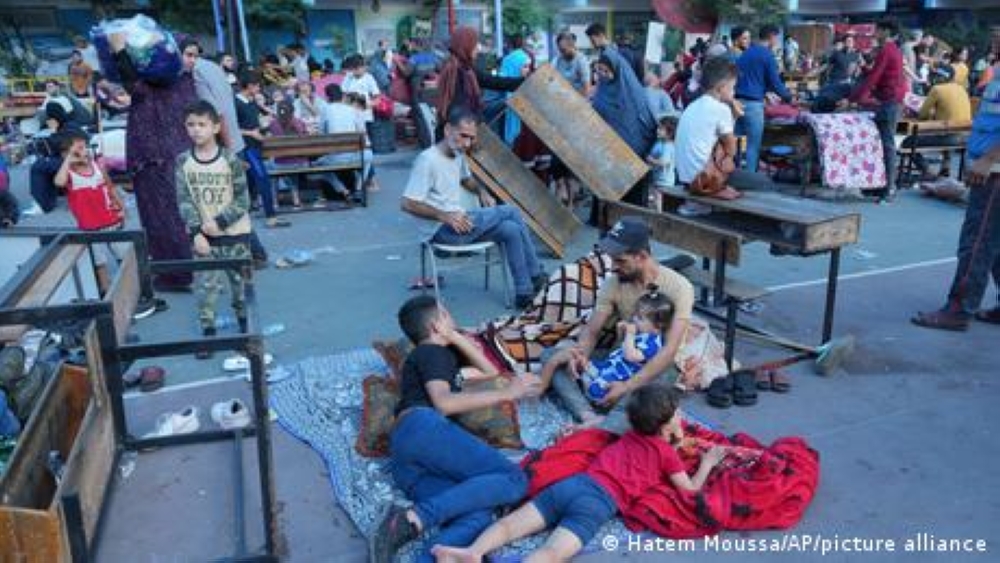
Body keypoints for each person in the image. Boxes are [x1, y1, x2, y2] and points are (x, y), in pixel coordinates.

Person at [432, 384, 726, 563]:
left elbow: (649, 441)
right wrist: (708, 463)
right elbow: (689, 491)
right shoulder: (666, 454)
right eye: (677, 414)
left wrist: (668, 435)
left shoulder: (629, 435)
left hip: (574, 484)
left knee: (510, 526)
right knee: (553, 553)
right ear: (665, 427)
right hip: (597, 505)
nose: (680, 416)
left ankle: (471, 551)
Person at [370, 295, 542, 563]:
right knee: (513, 478)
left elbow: (490, 371)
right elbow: (445, 403)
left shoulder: (439, 361)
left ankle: (425, 554)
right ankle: (412, 518)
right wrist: (510, 392)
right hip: (422, 429)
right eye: (448, 315)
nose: (455, 321)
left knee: (477, 515)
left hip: (407, 461)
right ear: (437, 327)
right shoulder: (432, 353)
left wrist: (457, 338)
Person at [543, 217, 695, 434]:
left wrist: (627, 386)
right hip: (620, 358)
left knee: (654, 396)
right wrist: (580, 356)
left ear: (642, 257)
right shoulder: (613, 282)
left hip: (656, 365)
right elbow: (592, 330)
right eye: (612, 260)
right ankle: (589, 416)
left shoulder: (679, 287)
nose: (613, 267)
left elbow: (669, 351)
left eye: (620, 261)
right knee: (552, 356)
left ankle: (607, 422)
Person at [401, 109, 547, 309]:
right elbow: (407, 203)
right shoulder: (427, 160)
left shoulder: (458, 154)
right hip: (440, 230)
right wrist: (444, 216)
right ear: (448, 130)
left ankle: (524, 292)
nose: (467, 143)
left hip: (462, 223)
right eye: (463, 136)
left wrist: (482, 192)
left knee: (511, 230)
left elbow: (466, 180)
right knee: (511, 211)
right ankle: (537, 274)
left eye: (471, 138)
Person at [911, 66, 1000, 331]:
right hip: (988, 165)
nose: (996, 34)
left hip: (993, 171)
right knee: (994, 242)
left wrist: (988, 159)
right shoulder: (996, 73)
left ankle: (959, 309)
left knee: (977, 242)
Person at [109, 29, 197, 291]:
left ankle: (176, 275)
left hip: (157, 160)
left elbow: (133, 85)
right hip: (170, 156)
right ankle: (179, 269)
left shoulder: (170, 80)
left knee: (163, 217)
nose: (192, 60)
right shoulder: (182, 80)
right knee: (171, 216)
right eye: (188, 54)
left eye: (194, 55)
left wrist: (119, 51)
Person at [175, 101, 252, 355]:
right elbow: (184, 199)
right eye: (191, 125)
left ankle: (245, 329)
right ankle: (208, 333)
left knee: (241, 286)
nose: (196, 130)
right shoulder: (183, 161)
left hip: (235, 236)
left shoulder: (231, 160)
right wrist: (196, 232)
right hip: (204, 240)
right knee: (205, 289)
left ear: (216, 127)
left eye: (202, 124)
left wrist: (219, 222)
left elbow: (243, 199)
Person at [540, 286, 674, 429]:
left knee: (601, 387)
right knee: (551, 354)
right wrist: (621, 334)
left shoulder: (653, 343)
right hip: (608, 367)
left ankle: (591, 411)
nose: (634, 320)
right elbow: (618, 349)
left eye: (640, 318)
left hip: (619, 381)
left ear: (658, 326)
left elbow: (631, 356)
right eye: (635, 315)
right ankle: (589, 412)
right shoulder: (641, 334)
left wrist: (629, 334)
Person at [53, 131, 125, 294]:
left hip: (111, 220)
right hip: (90, 226)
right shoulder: (69, 173)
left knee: (122, 254)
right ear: (66, 154)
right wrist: (68, 161)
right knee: (100, 262)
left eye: (84, 147)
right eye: (77, 149)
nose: (83, 152)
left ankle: (132, 284)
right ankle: (105, 289)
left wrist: (122, 209)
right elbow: (59, 182)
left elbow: (110, 187)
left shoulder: (97, 166)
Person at [591, 51, 658, 215]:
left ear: (617, 71)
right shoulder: (600, 91)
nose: (602, 74)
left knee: (630, 208)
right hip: (606, 153)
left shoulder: (632, 92)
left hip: (631, 154)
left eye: (606, 71)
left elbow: (646, 123)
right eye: (599, 70)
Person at [675, 56, 741, 215]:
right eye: (732, 88)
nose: (734, 92)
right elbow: (731, 148)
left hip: (684, 177)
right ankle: (703, 205)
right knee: (761, 183)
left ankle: (695, 204)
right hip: (704, 179)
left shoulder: (693, 105)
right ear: (721, 87)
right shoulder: (721, 109)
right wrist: (736, 116)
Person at [849, 19, 906, 202]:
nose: (875, 33)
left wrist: (854, 99)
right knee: (881, 143)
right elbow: (876, 75)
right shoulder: (891, 49)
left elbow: (875, 77)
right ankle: (880, 185)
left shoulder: (887, 49)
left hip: (890, 101)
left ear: (886, 32)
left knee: (887, 145)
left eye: (878, 30)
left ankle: (889, 188)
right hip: (888, 100)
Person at [735, 25, 795, 173]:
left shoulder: (745, 53)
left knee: (737, 143)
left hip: (736, 103)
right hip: (753, 105)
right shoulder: (767, 55)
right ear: (772, 37)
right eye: (776, 38)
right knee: (752, 146)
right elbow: (775, 82)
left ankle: (734, 174)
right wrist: (788, 97)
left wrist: (766, 91)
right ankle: (750, 180)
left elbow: (747, 77)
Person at [235, 70, 291, 228]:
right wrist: (251, 132)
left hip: (255, 145)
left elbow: (255, 122)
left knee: (254, 181)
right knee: (262, 178)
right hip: (245, 147)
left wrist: (263, 126)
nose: (259, 88)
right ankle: (271, 217)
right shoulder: (236, 103)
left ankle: (256, 214)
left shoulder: (251, 101)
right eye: (257, 85)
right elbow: (232, 127)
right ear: (249, 86)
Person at [436, 27, 522, 126]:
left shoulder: (464, 68)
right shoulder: (458, 71)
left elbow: (493, 81)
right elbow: (460, 111)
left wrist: (525, 82)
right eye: (475, 45)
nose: (478, 48)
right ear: (466, 45)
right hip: (457, 132)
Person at [29, 102, 87, 213]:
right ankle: (48, 199)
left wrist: (53, 131)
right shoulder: (70, 124)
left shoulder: (67, 128)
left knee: (38, 167)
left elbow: (55, 146)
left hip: (75, 161)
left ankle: (42, 204)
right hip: (74, 159)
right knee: (45, 163)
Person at [553, 31, 590, 96]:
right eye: (560, 50)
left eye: (564, 50)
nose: (562, 53)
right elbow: (551, 77)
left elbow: (586, 88)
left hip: (577, 98)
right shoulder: (558, 59)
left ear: (572, 46)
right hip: (562, 97)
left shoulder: (581, 60)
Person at [647, 115, 678, 190]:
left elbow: (664, 162)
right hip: (658, 179)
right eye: (658, 128)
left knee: (658, 200)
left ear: (670, 133)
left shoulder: (668, 146)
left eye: (661, 129)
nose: (657, 130)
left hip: (664, 182)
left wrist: (650, 159)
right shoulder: (660, 143)